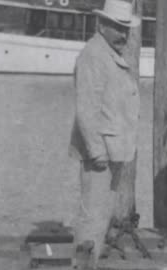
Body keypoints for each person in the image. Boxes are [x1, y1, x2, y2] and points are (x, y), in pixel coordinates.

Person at [69, 0, 140, 268]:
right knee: (92, 217)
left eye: (126, 29)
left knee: (100, 216)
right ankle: (83, 266)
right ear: (102, 25)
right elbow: (86, 108)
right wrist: (96, 150)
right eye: (117, 28)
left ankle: (90, 265)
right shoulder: (93, 55)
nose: (123, 34)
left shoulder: (107, 53)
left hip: (113, 150)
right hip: (100, 151)